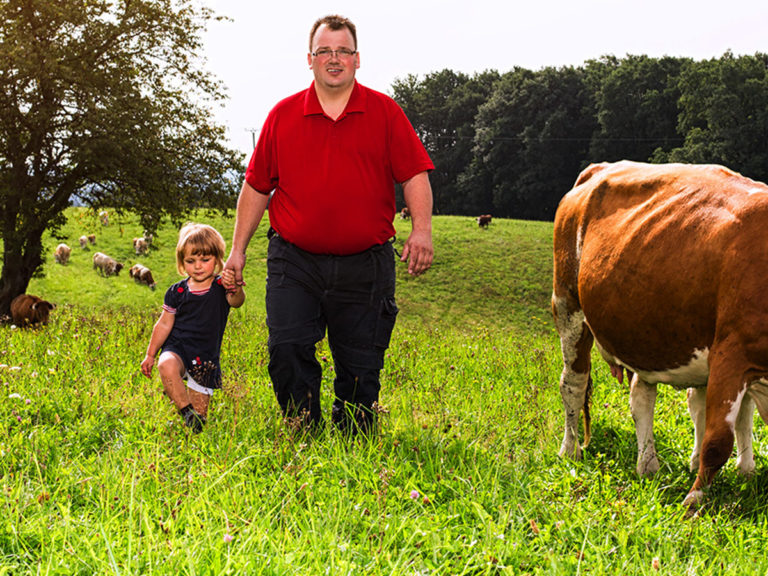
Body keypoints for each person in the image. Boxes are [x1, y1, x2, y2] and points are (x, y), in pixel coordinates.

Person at [224, 14, 434, 435]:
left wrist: (422, 231)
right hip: (294, 260)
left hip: (366, 265)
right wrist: (238, 251)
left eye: (343, 51)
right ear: (310, 59)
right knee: (287, 347)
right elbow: (256, 187)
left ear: (358, 60)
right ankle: (303, 429)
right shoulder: (282, 116)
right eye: (325, 51)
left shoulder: (385, 113)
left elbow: (414, 175)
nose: (333, 59)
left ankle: (354, 438)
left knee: (361, 366)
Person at [141, 223, 245, 432]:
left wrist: (234, 286)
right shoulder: (177, 291)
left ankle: (190, 425)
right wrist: (150, 354)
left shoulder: (220, 287)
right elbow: (163, 323)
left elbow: (237, 302)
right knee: (166, 364)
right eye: (190, 261)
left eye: (205, 260)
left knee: (199, 424)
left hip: (205, 357)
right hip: (177, 348)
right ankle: (185, 410)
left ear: (217, 259)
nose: (198, 266)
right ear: (182, 262)